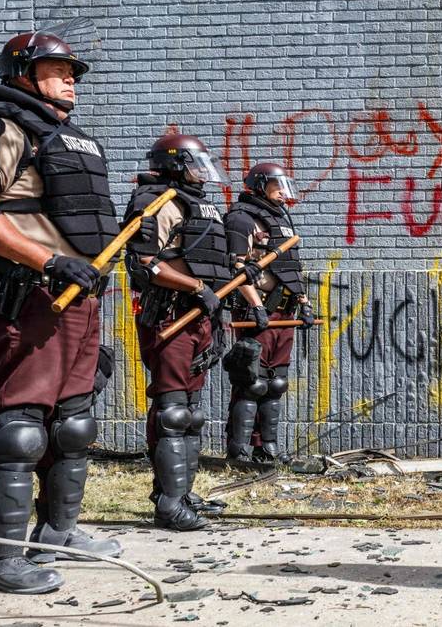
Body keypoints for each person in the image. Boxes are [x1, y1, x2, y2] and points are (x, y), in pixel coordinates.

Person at [0, 25, 121, 594]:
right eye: (58, 69)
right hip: (31, 291)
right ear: (23, 71)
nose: (71, 79)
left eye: (72, 71)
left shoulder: (69, 137)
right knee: (20, 428)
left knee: (73, 423)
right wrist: (48, 262)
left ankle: (57, 533)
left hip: (80, 295)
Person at [124, 131, 230, 530]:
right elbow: (145, 263)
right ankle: (169, 505)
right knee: (173, 412)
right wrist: (196, 288)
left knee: (192, 413)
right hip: (170, 316)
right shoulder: (158, 202)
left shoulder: (199, 207)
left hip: (199, 316)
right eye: (194, 166)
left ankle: (180, 491)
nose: (203, 175)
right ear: (173, 166)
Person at [224, 163, 315, 464]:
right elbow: (237, 268)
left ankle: (267, 447)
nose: (283, 192)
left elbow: (292, 268)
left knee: (276, 383)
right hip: (258, 310)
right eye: (277, 184)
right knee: (252, 382)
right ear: (260, 185)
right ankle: (238, 451)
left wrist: (305, 303)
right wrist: (257, 306)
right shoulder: (241, 218)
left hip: (285, 311)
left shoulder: (282, 220)